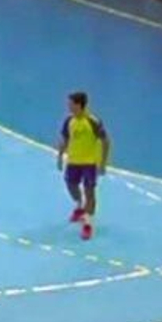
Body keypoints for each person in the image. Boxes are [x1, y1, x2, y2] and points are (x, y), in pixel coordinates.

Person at [56, 91, 109, 240]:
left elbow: (106, 141)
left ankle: (87, 224)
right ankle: (79, 206)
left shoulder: (93, 121)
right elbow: (65, 139)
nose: (68, 107)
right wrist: (60, 156)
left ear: (79, 105)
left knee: (89, 192)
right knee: (71, 186)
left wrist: (103, 163)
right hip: (73, 161)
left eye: (71, 104)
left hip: (89, 163)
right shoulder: (69, 121)